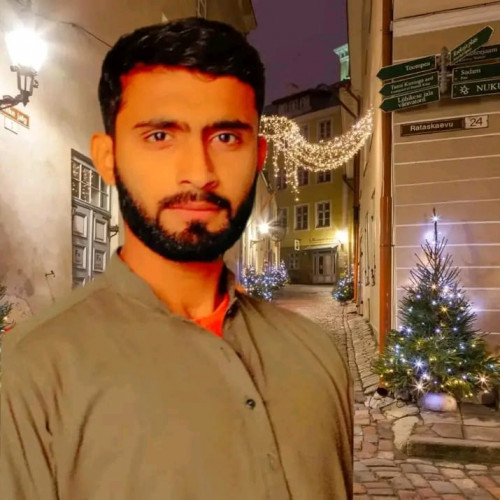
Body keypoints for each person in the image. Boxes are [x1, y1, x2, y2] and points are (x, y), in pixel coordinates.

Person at [0, 17, 353, 499]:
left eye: (226, 138)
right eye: (160, 136)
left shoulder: (317, 355)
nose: (199, 172)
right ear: (108, 158)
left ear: (258, 157)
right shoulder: (30, 375)